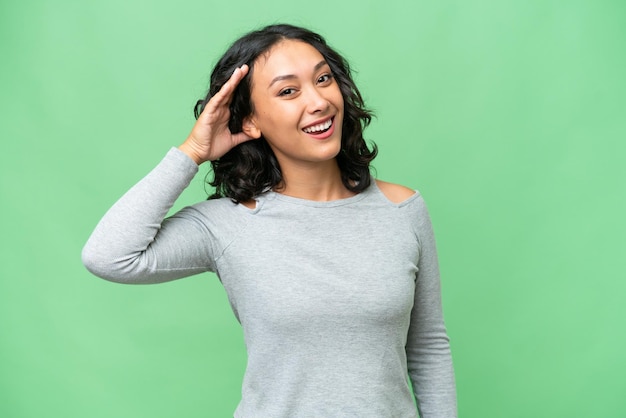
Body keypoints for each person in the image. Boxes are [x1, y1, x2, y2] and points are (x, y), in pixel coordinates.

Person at [82, 24, 457, 418]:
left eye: (323, 79)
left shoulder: (403, 209)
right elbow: (108, 255)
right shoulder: (226, 224)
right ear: (250, 123)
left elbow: (428, 346)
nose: (318, 101)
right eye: (288, 91)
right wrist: (192, 151)